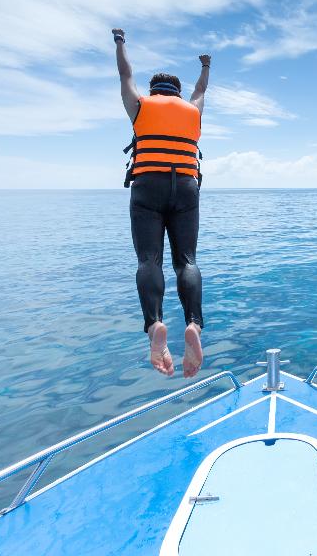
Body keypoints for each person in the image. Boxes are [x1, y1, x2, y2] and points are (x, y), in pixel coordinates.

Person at [113, 27, 211, 378]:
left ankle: (155, 325)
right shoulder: (192, 111)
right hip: (185, 187)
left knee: (148, 259)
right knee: (187, 261)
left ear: (153, 91)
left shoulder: (140, 106)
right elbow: (201, 89)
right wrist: (205, 66)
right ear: (179, 94)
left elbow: (125, 74)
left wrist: (120, 41)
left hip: (147, 187)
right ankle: (194, 326)